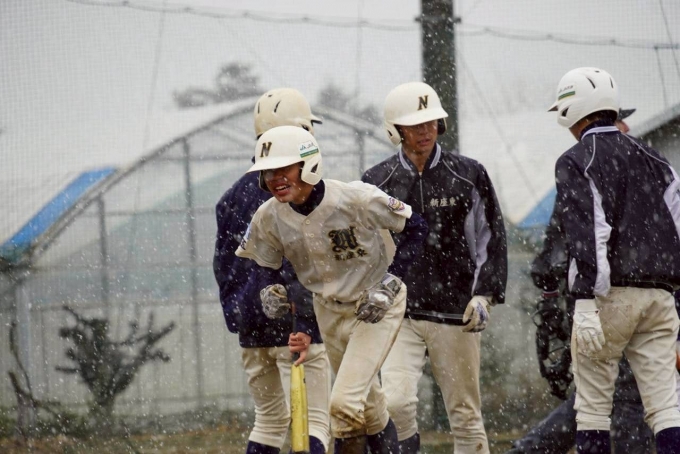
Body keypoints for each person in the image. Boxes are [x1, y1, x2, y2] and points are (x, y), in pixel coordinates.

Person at [236, 125, 429, 453]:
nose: (275, 178)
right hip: (327, 308)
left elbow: (416, 227)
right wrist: (270, 288)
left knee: (342, 405)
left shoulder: (355, 198)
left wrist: (391, 280)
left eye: (283, 168)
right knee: (369, 407)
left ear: (308, 164)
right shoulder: (268, 216)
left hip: (374, 303)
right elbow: (264, 263)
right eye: (268, 172)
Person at [362, 81, 508, 454]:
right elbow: (365, 249)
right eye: (415, 125)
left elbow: (491, 237)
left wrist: (485, 295)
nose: (426, 131)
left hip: (456, 311)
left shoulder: (469, 174)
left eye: (431, 122)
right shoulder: (375, 182)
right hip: (400, 312)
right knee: (395, 406)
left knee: (465, 415)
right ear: (395, 129)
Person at [506, 107, 659, 454]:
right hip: (605, 305)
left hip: (609, 304)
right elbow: (559, 252)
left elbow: (553, 256)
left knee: (596, 399)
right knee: (623, 396)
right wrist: (560, 302)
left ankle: (528, 450)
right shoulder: (594, 172)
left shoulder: (613, 172)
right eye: (618, 121)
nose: (626, 126)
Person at [547, 67, 680, 453]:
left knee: (592, 410)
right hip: (661, 297)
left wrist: (585, 298)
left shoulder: (576, 159)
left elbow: (589, 232)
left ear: (571, 110)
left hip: (609, 297)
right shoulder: (655, 158)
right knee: (666, 406)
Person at [213, 88, 331, 454]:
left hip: (251, 326)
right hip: (295, 325)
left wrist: (240, 314)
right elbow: (302, 261)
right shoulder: (294, 190)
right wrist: (305, 316)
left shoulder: (232, 196)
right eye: (307, 128)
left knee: (268, 421)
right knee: (315, 422)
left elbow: (225, 266)